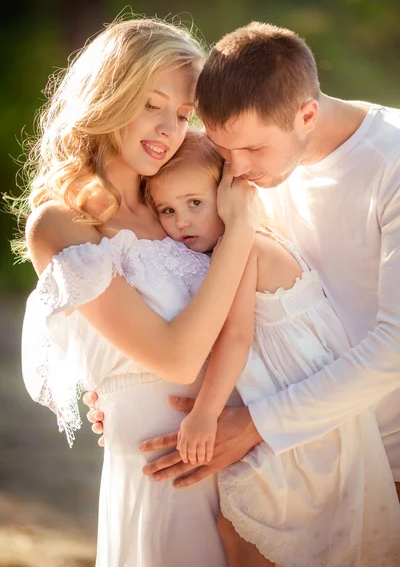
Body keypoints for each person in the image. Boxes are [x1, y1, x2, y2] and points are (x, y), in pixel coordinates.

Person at [87, 21, 400, 562]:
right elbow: (212, 291)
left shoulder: (390, 164)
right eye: (226, 150)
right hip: (289, 452)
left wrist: (254, 427)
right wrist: (133, 390)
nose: (238, 169)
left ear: (306, 114)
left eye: (253, 149)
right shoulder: (242, 166)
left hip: (382, 454)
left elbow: (395, 345)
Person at [19, 16, 263, 567]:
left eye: (181, 114)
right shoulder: (64, 224)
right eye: (152, 103)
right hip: (163, 470)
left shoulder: (182, 205)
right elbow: (176, 358)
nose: (168, 128)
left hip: (245, 451)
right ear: (110, 92)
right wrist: (241, 231)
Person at [141, 129, 400, 566]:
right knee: (247, 527)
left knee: (248, 525)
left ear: (229, 194)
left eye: (194, 203)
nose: (181, 221)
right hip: (289, 404)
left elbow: (237, 337)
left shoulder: (245, 245)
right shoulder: (236, 241)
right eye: (167, 209)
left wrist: (204, 413)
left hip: (306, 416)